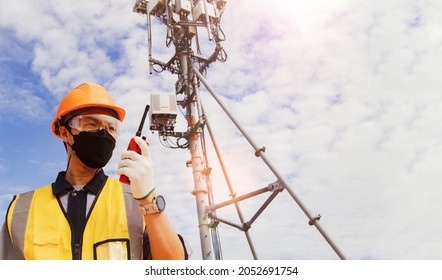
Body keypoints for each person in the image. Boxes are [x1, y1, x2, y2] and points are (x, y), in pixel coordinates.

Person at [0, 82, 188, 260]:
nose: (103, 133)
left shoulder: (135, 203)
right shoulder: (21, 209)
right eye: (91, 124)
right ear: (65, 133)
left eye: (111, 127)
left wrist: (148, 198)